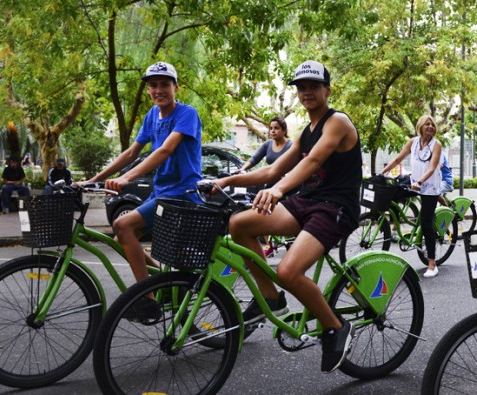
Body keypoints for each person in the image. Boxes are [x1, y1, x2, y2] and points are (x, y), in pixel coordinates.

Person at [213, 60, 360, 372]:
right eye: (301, 87)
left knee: (289, 271)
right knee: (239, 224)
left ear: (327, 90)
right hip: (307, 202)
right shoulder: (305, 133)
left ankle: (335, 326)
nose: (306, 92)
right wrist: (227, 180)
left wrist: (277, 191)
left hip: (335, 207)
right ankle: (271, 297)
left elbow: (314, 161)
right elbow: (272, 169)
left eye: (313, 86)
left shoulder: (338, 122)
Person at [79, 61, 203, 320]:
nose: (159, 90)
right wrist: (94, 179)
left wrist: (127, 178)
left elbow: (165, 150)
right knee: (120, 238)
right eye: (153, 85)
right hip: (163, 193)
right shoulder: (151, 116)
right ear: (148, 90)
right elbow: (131, 152)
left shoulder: (186, 114)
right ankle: (164, 283)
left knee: (123, 226)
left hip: (183, 194)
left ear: (176, 87)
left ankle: (147, 301)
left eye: (164, 85)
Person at [380, 115, 444, 278]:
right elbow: (397, 159)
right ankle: (395, 228)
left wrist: (420, 182)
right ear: (420, 126)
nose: (430, 126)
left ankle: (432, 264)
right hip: (414, 181)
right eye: (427, 124)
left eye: (432, 124)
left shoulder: (436, 145)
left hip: (429, 186)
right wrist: (382, 173)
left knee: (426, 224)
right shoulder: (413, 142)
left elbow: (431, 168)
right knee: (392, 194)